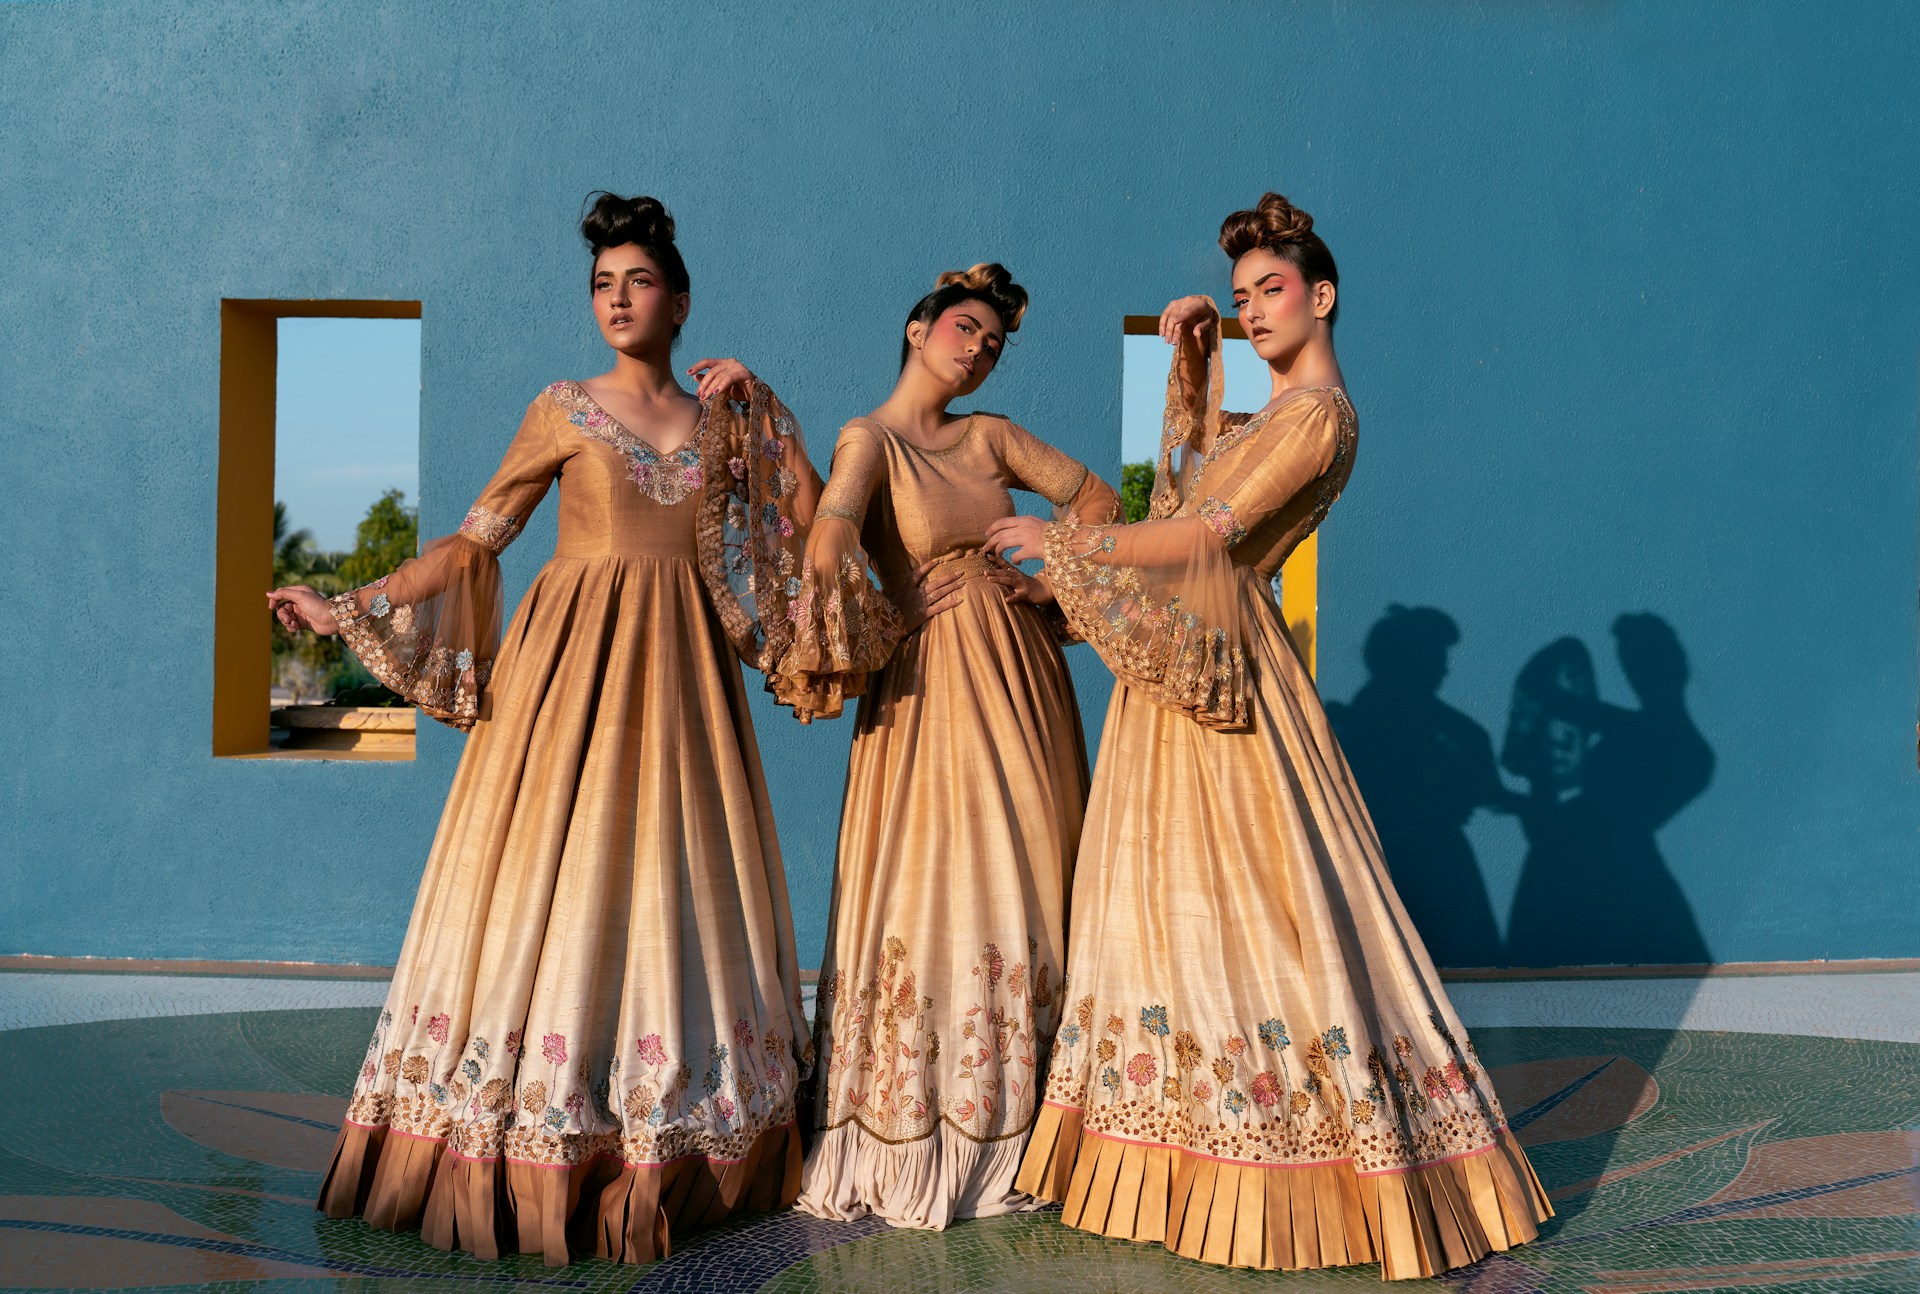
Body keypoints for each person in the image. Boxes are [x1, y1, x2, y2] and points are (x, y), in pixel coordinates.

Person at [987, 194, 1553, 1279]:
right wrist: (1186, 359)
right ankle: (1169, 1145)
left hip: (1230, 665)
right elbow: (1196, 475)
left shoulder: (1322, 416)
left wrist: (1066, 543)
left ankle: (1317, 1163)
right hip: (1195, 656)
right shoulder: (1269, 410)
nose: (1253, 308)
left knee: (1269, 895)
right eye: (1242, 295)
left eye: (1270, 290)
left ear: (1323, 294)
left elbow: (1208, 530)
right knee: (1165, 893)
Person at [268, 193, 836, 1267]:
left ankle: (675, 1139)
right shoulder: (564, 408)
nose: (618, 299)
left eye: (639, 282)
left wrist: (768, 412)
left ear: (681, 302)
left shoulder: (726, 422)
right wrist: (345, 606)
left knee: (672, 890)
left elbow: (811, 531)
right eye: (602, 284)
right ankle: (528, 1141)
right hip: (568, 685)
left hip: (687, 693)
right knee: (552, 885)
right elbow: (477, 540)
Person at [776, 264, 1118, 1229]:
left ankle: (1049, 1118)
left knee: (1036, 870)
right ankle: (946, 1126)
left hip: (1025, 686)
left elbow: (1100, 507)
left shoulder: (993, 436)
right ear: (920, 326)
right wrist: (859, 594)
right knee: (950, 878)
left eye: (996, 343)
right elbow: (837, 521)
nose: (980, 350)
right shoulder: (868, 438)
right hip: (926, 694)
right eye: (967, 329)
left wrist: (1050, 577)